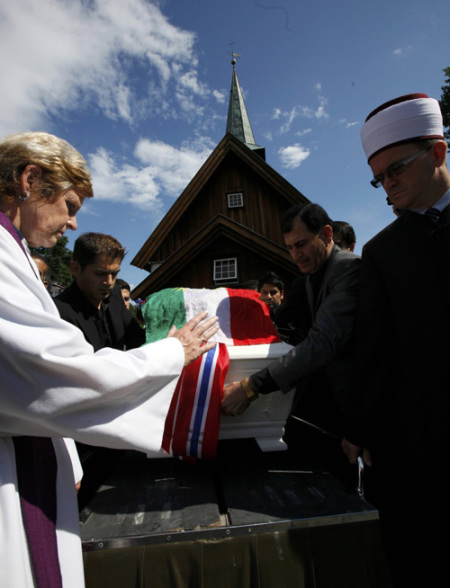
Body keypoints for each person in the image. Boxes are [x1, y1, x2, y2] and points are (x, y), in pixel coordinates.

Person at [0, 131, 219, 587]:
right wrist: (173, 352)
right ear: (29, 179)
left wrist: (70, 465)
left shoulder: (13, 248)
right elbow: (53, 374)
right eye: (70, 205)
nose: (73, 223)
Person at [341, 93, 450, 586]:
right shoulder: (383, 251)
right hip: (425, 451)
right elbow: (375, 352)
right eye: (378, 177)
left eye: (395, 170)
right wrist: (361, 429)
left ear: (437, 152)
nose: (386, 186)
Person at [222, 203, 360, 441]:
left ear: (327, 234)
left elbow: (323, 342)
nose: (296, 255)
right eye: (289, 248)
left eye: (301, 244)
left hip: (361, 402)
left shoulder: (348, 269)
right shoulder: (311, 279)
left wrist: (249, 387)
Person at [54, 233, 144, 352]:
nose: (109, 282)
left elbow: (138, 340)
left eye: (114, 273)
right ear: (75, 268)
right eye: (100, 274)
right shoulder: (58, 312)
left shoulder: (115, 295)